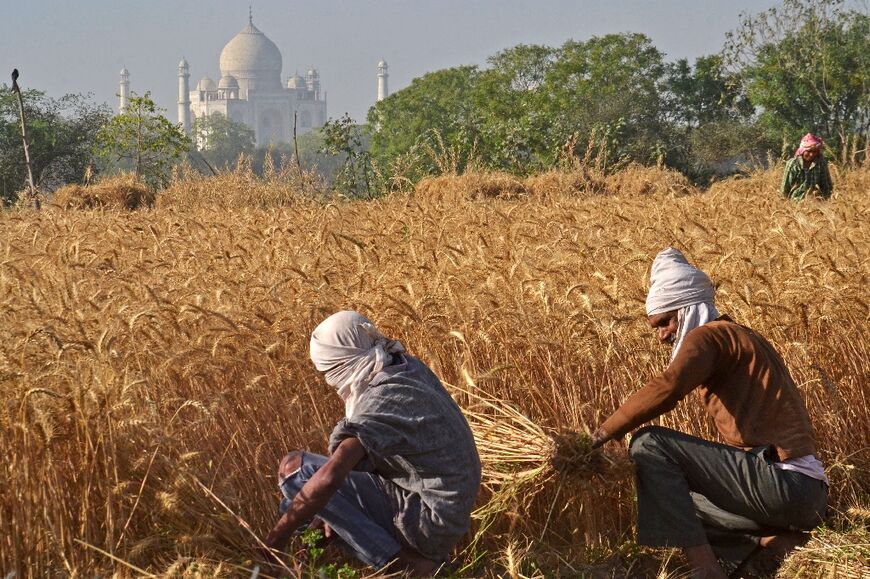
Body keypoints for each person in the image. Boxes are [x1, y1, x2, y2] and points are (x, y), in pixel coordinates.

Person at [590, 248, 828, 579]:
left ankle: (705, 570)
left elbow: (669, 386)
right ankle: (779, 541)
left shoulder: (709, 335)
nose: (661, 336)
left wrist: (605, 432)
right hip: (807, 495)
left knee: (649, 444)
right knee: (672, 497)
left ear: (686, 309)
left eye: (664, 322)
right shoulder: (741, 335)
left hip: (784, 483)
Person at [261, 311, 481, 576]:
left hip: (431, 521)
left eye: (328, 371)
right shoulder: (403, 365)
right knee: (296, 506)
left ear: (342, 363)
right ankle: (422, 562)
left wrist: (272, 545)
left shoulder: (380, 400)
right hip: (447, 511)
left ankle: (409, 567)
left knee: (294, 471)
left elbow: (331, 477)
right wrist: (333, 510)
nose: (329, 380)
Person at [781, 133, 833, 200]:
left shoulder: (821, 164)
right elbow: (785, 188)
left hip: (816, 202)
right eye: (808, 151)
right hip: (795, 203)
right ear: (802, 150)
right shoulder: (792, 164)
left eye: (814, 151)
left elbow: (827, 187)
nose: (811, 154)